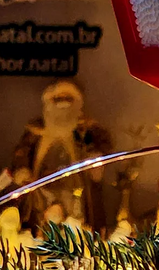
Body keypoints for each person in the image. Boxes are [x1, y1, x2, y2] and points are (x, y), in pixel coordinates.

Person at [10, 80, 111, 231]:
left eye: (68, 99)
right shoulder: (35, 131)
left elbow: (104, 144)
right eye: (58, 99)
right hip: (42, 190)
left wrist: (97, 157)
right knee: (42, 221)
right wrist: (21, 169)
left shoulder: (87, 130)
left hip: (75, 190)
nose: (63, 104)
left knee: (76, 222)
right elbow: (21, 152)